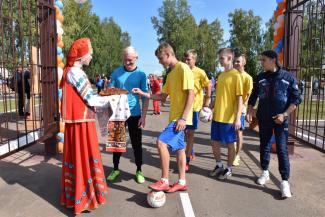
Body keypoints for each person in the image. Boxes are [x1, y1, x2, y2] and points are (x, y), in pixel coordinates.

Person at [132, 42, 194, 193]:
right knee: (180, 149)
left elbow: (191, 94)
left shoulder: (183, 68)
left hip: (180, 118)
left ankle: (164, 180)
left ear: (168, 54)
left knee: (161, 142)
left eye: (161, 58)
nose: (160, 61)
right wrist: (143, 93)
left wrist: (183, 118)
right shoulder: (170, 74)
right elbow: (162, 97)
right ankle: (181, 182)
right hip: (175, 117)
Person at [60, 38, 111, 214]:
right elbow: (90, 98)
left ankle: (82, 194)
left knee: (80, 157)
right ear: (82, 56)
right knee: (83, 157)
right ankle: (85, 198)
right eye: (90, 52)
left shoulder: (74, 71)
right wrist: (112, 99)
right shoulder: (76, 72)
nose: (92, 55)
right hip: (81, 124)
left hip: (81, 122)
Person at [246, 50, 301, 198]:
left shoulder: (288, 78)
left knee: (282, 150)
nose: (261, 62)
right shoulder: (261, 77)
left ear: (273, 60)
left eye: (263, 60)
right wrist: (250, 110)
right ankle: (265, 172)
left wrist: (284, 115)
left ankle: (284, 182)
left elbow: (296, 100)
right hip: (264, 119)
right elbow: (253, 96)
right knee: (264, 146)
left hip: (280, 121)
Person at [107, 46, 149, 184]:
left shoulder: (142, 74)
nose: (127, 62)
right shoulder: (116, 73)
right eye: (125, 60)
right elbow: (109, 91)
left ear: (136, 58)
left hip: (135, 114)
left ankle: (139, 170)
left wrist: (143, 116)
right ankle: (115, 169)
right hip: (118, 113)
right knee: (117, 143)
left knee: (137, 143)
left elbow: (145, 97)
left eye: (130, 60)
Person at [209, 48, 243, 180]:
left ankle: (229, 169)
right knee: (214, 142)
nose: (220, 60)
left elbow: (240, 98)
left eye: (222, 58)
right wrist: (212, 106)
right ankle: (219, 165)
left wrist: (238, 118)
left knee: (230, 144)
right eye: (219, 58)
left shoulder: (236, 76)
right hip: (217, 116)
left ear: (230, 58)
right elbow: (219, 95)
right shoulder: (221, 75)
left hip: (229, 118)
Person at [183, 49, 211, 171]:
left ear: (194, 60)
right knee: (184, 133)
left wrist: (207, 102)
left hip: (194, 108)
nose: (186, 61)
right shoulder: (182, 70)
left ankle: (187, 160)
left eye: (188, 59)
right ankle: (191, 149)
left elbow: (208, 85)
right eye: (185, 59)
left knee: (190, 134)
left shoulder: (200, 72)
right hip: (182, 108)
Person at [233, 53, 253, 166]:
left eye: (238, 61)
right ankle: (233, 150)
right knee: (231, 133)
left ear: (244, 62)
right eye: (235, 61)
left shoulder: (247, 78)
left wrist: (243, 111)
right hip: (229, 111)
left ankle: (237, 156)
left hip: (240, 110)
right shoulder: (231, 75)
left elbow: (246, 97)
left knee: (239, 133)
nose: (236, 63)